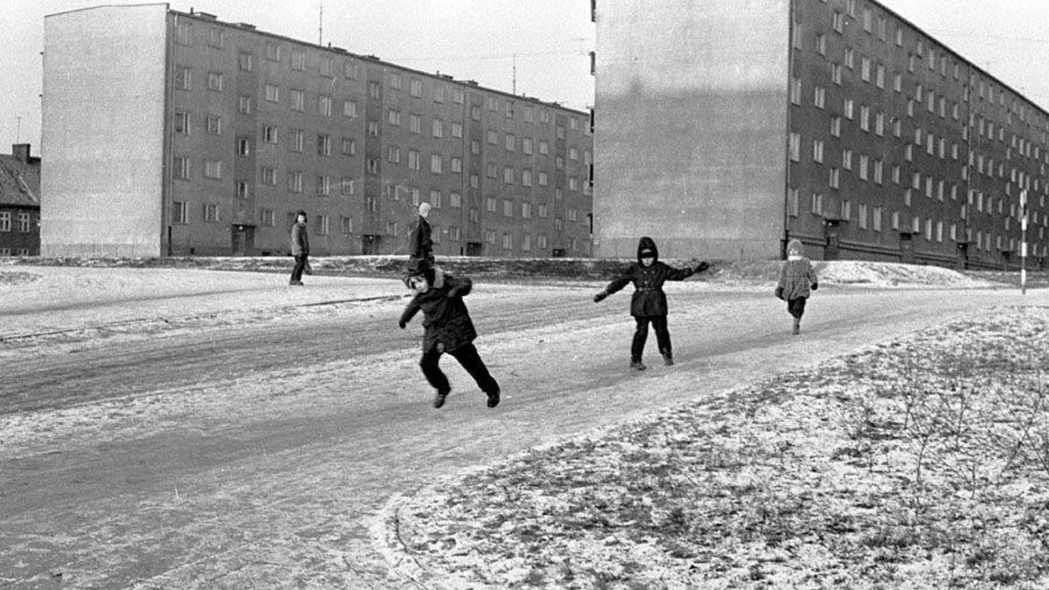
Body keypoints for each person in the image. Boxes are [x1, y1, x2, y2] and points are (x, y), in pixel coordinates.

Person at [593, 236, 709, 370]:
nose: (647, 260)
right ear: (639, 257)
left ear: (655, 256)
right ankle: (635, 360)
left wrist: (694, 270)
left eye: (650, 257)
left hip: (657, 303)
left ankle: (667, 356)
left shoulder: (660, 268)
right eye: (644, 257)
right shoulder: (634, 269)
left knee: (661, 331)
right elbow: (620, 282)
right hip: (640, 305)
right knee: (641, 332)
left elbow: (677, 274)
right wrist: (606, 292)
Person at [398, 258, 500, 409]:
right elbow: (413, 306)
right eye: (413, 283)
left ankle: (492, 391)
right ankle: (442, 388)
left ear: (429, 277)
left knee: (473, 365)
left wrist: (457, 290)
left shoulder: (445, 283)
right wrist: (404, 319)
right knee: (427, 364)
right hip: (435, 334)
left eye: (420, 280)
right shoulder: (421, 295)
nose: (417, 285)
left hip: (455, 331)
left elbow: (465, 282)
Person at [775, 238, 819, 335]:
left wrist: (814, 282)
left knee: (798, 307)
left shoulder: (805, 262)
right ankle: (796, 317)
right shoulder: (787, 265)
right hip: (790, 290)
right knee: (790, 308)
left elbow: (811, 273)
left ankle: (796, 324)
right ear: (788, 251)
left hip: (801, 289)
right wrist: (780, 288)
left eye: (796, 249)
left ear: (800, 250)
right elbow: (783, 277)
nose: (793, 252)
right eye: (791, 250)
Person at [289, 210, 310, 286]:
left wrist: (307, 249)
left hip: (303, 250)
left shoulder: (303, 227)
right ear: (297, 218)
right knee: (299, 264)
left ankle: (297, 279)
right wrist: (299, 249)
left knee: (300, 265)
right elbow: (296, 239)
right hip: (298, 250)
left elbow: (305, 239)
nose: (302, 219)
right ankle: (294, 279)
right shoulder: (296, 227)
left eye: (303, 217)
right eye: (300, 217)